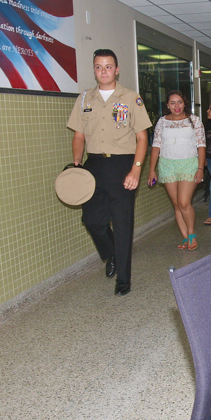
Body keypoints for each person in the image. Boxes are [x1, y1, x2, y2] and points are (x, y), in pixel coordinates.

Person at [67, 49, 151, 296]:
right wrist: (76, 163)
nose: (103, 71)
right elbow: (79, 135)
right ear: (94, 70)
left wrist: (136, 170)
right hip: (93, 166)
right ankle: (112, 253)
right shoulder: (84, 99)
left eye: (108, 66)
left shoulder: (131, 98)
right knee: (91, 220)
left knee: (123, 224)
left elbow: (142, 137)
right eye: (98, 66)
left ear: (117, 70)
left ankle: (123, 280)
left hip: (123, 165)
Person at [147, 91, 206, 251]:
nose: (176, 106)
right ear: (167, 105)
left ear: (184, 103)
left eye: (179, 102)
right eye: (172, 103)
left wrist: (200, 168)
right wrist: (152, 170)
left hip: (189, 164)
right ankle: (185, 237)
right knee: (176, 204)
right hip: (167, 164)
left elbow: (201, 146)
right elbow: (156, 147)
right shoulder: (161, 122)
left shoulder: (194, 121)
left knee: (184, 202)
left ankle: (192, 233)